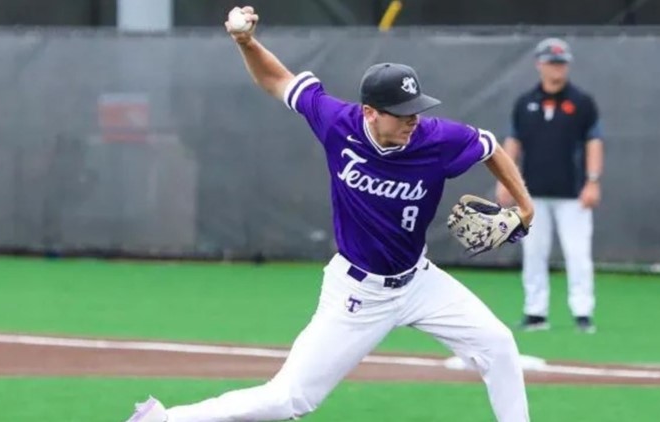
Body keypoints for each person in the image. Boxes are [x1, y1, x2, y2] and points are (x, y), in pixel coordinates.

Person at [125, 6, 535, 422]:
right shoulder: (338, 123)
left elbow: (489, 147)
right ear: (371, 112)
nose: (414, 118)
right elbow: (278, 80)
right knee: (287, 400)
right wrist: (246, 42)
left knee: (498, 345)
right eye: (402, 110)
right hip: (359, 293)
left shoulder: (437, 139)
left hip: (420, 281)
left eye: (416, 108)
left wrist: (524, 206)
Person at [496, 38, 604, 334]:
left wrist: (593, 182)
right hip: (531, 193)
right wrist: (505, 180)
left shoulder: (582, 102)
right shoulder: (525, 102)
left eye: (562, 62)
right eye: (552, 62)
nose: (557, 68)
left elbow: (594, 142)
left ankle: (582, 312)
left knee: (578, 253)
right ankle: (535, 312)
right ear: (539, 64)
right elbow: (512, 143)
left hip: (572, 193)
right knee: (533, 253)